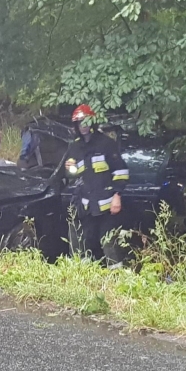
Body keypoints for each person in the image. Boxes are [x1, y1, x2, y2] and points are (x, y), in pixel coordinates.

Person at [63, 104, 131, 268]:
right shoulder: (75, 147)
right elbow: (74, 176)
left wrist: (117, 195)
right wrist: (69, 169)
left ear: (92, 122)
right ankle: (88, 279)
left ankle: (117, 278)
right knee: (85, 243)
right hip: (87, 207)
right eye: (80, 123)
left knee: (108, 243)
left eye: (86, 122)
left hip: (107, 205)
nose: (83, 126)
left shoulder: (106, 144)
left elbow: (121, 171)